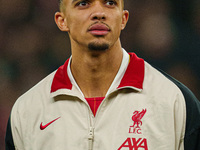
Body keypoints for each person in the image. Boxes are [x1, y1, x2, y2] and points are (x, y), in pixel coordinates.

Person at [5, 0, 200, 149]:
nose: (99, 13)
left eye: (110, 3)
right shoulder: (26, 111)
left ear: (123, 19)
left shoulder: (176, 102)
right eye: (83, 3)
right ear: (62, 20)